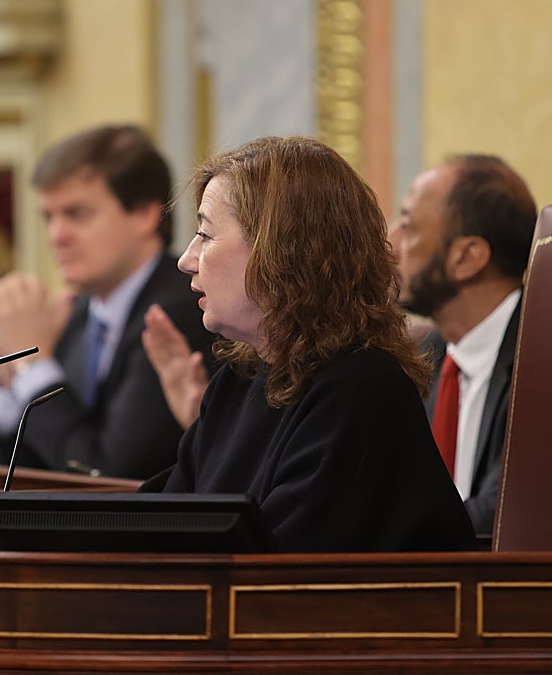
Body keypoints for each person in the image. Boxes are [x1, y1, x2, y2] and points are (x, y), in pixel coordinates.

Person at [140, 136, 478, 553]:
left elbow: (279, 567)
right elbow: (162, 519)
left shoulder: (360, 389)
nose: (186, 259)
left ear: (281, 253)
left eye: (205, 235)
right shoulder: (240, 379)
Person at [0, 124, 216, 479]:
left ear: (144, 214)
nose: (57, 236)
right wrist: (10, 370)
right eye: (49, 217)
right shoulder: (75, 314)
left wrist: (33, 367)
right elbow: (18, 477)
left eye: (76, 214)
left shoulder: (183, 308)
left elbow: (108, 474)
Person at [388, 154, 537, 538]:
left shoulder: (545, 364)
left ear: (467, 257)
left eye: (409, 225)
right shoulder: (421, 358)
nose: (391, 243)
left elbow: (503, 515)